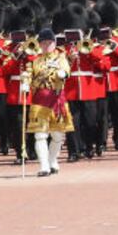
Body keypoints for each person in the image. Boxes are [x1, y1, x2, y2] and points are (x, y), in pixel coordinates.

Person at [21, 29, 72, 177]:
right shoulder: (35, 61)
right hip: (39, 100)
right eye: (43, 43)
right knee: (40, 135)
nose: (46, 45)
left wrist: (63, 74)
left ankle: (51, 160)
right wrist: (25, 82)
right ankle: (43, 165)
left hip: (56, 99)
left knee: (57, 135)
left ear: (54, 43)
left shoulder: (61, 58)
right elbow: (28, 74)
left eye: (49, 43)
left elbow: (66, 70)